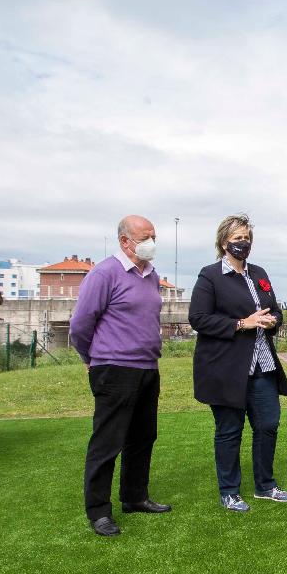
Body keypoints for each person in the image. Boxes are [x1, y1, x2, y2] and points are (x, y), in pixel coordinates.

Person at [70, 215, 172, 537]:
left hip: (147, 368)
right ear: (125, 241)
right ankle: (98, 511)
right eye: (145, 236)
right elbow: (80, 326)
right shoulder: (104, 273)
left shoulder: (151, 276)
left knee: (143, 437)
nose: (151, 242)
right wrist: (93, 359)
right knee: (107, 443)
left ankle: (134, 496)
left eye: (154, 236)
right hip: (113, 370)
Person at [188, 214, 287, 511]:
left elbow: (274, 309)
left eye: (247, 238)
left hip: (263, 365)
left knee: (268, 424)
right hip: (226, 369)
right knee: (229, 431)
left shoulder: (259, 272)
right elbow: (198, 318)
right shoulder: (210, 276)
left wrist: (272, 320)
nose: (244, 243)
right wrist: (241, 324)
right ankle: (230, 491)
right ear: (224, 243)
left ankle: (265, 485)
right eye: (238, 238)